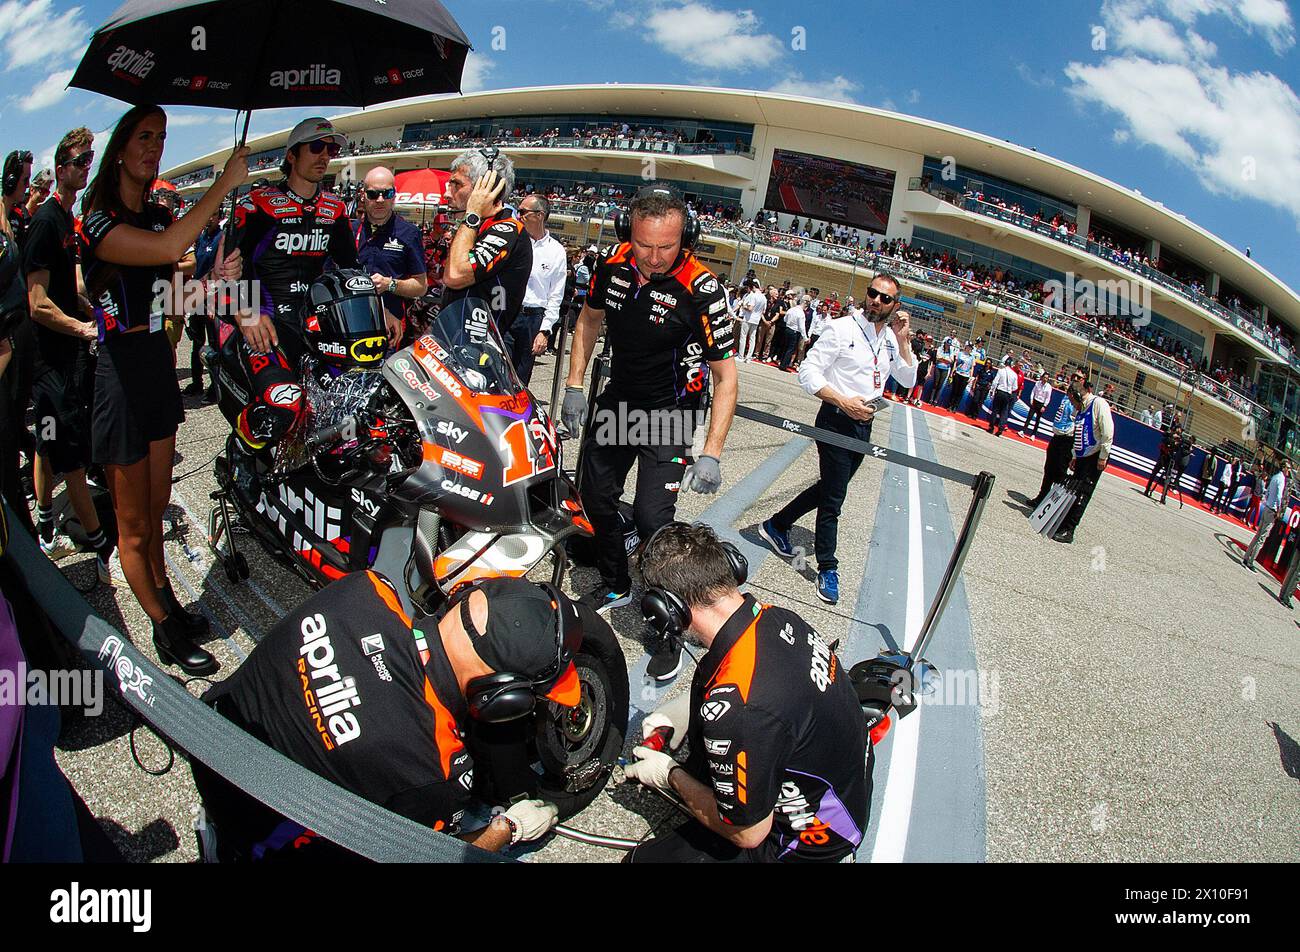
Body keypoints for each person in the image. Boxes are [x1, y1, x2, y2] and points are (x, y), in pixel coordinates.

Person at [191, 572, 571, 860]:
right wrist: (509, 827)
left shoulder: (364, 588)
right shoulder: (433, 771)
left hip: (215, 749)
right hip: (264, 836)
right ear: (504, 698)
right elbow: (437, 858)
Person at [80, 104, 249, 676]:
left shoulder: (155, 214)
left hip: (156, 367)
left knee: (154, 511)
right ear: (122, 147)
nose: (154, 146)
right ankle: (162, 625)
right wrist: (224, 183)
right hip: (120, 378)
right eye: (145, 136)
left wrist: (209, 284)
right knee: (132, 525)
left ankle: (168, 601)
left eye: (162, 137)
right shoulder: (97, 220)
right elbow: (162, 249)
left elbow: (165, 302)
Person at [561, 183, 737, 680]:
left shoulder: (702, 289)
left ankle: (667, 630)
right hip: (619, 402)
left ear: (687, 237)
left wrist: (712, 451)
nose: (655, 257)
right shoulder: (611, 265)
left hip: (669, 413)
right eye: (645, 245)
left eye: (667, 246)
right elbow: (589, 322)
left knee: (655, 520)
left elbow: (727, 377)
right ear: (627, 232)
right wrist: (575, 382)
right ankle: (616, 579)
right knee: (594, 497)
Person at [621, 523, 869, 863]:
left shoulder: (739, 707)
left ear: (667, 610)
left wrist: (670, 775)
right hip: (844, 790)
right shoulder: (780, 617)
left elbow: (748, 834)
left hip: (809, 841)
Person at [760, 274, 917, 604]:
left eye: (885, 298)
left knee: (830, 488)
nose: (876, 300)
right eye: (872, 293)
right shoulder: (841, 327)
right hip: (835, 419)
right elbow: (809, 371)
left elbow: (907, 378)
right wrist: (842, 401)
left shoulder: (889, 337)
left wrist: (904, 341)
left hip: (864, 424)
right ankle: (828, 567)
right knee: (834, 500)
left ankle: (777, 524)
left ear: (895, 306)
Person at [225, 117, 359, 453]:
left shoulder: (335, 208)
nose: (324, 155)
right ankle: (241, 455)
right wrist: (246, 313)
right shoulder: (257, 205)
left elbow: (350, 269)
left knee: (352, 410)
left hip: (316, 329)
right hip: (267, 330)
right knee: (283, 408)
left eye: (331, 149)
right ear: (291, 155)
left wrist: (382, 308)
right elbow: (225, 272)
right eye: (315, 147)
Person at [21, 127, 111, 573]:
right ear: (59, 169)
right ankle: (95, 544)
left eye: (90, 159)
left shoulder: (66, 219)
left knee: (48, 441)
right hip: (49, 363)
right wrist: (82, 329)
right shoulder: (43, 223)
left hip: (61, 358)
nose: (85, 167)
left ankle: (43, 521)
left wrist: (95, 308)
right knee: (70, 454)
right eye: (78, 161)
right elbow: (36, 303)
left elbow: (69, 284)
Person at [441, 149, 531, 351]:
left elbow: (455, 276)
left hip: (481, 355)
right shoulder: (478, 227)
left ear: (488, 187)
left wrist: (472, 213)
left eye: (456, 185)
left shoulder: (507, 229)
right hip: (457, 346)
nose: (447, 193)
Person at [352, 165, 427, 349]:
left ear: (394, 195)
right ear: (363, 196)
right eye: (373, 194)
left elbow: (421, 286)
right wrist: (378, 309)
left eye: (386, 193)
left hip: (391, 332)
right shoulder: (349, 231)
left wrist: (389, 284)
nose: (379, 200)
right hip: (350, 324)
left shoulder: (409, 233)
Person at [1051, 376, 1114, 544]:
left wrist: (1103, 457)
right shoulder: (1080, 409)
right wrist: (1074, 456)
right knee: (1073, 490)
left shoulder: (1098, 404)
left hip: (1096, 456)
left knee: (1083, 494)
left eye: (1073, 401)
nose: (1072, 406)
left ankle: (1070, 530)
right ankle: (1062, 523)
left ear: (1079, 396)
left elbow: (1107, 433)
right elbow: (1078, 433)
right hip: (1082, 455)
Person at [514, 194, 565, 386]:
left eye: (523, 212)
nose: (519, 216)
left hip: (532, 319)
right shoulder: (513, 241)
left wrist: (545, 330)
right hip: (508, 313)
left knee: (521, 377)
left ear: (540, 215)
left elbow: (555, 295)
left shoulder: (557, 251)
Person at [182, 209, 223, 398]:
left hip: (213, 296)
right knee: (196, 341)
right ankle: (196, 382)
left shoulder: (221, 238)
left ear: (219, 216)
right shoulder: (201, 238)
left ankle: (216, 388)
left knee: (214, 343)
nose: (209, 219)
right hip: (197, 294)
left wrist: (213, 300)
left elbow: (220, 271)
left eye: (213, 215)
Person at [1027, 370, 1084, 508]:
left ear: (1084, 379)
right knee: (1049, 468)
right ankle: (1042, 497)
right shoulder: (1067, 394)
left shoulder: (1081, 399)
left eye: (1079, 377)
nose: (1075, 378)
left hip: (1068, 439)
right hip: (1057, 436)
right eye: (1073, 375)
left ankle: (1054, 504)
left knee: (1059, 472)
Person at [1241, 461, 1288, 571]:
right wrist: (1279, 509)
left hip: (1267, 507)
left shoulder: (1275, 477)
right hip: (1272, 509)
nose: (1289, 470)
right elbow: (1279, 495)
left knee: (1258, 535)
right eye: (1288, 468)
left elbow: (1268, 493)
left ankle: (1246, 556)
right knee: (1262, 538)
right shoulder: (1281, 479)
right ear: (1284, 468)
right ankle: (1251, 561)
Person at [988, 357, 1019, 435]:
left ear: (1005, 363)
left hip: (1000, 392)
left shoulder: (1001, 371)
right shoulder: (1014, 374)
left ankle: (991, 427)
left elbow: (995, 382)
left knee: (995, 410)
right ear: (1011, 365)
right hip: (1007, 394)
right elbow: (1015, 387)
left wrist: (992, 390)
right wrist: (1010, 389)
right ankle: (1001, 428)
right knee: (1004, 412)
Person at [736, 281, 765, 362]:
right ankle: (748, 357)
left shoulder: (753, 296)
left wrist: (743, 306)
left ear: (752, 287)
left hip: (748, 318)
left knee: (743, 337)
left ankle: (741, 356)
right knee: (752, 338)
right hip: (756, 319)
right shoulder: (764, 298)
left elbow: (750, 308)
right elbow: (764, 311)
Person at [1022, 372, 1052, 439]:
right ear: (1042, 377)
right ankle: (1023, 431)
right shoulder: (1037, 383)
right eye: (1044, 377)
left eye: (1047, 378)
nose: (1045, 379)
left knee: (1037, 420)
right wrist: (1031, 399)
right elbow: (1033, 391)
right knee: (1029, 417)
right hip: (1035, 401)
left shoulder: (1049, 387)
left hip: (1041, 404)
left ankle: (1033, 435)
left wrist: (1044, 406)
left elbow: (1048, 398)